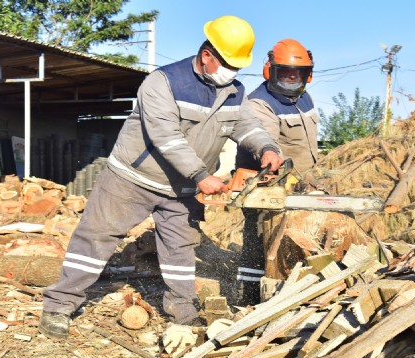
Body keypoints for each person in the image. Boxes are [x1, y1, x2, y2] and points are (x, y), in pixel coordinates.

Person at [38, 15, 284, 339]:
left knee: (180, 251)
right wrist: (201, 175)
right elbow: (165, 136)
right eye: (228, 64)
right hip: (131, 178)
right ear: (207, 55)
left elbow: (247, 126)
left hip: (180, 188)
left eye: (238, 67)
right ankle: (59, 307)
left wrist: (266, 147)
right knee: (95, 239)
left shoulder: (235, 93)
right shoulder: (163, 82)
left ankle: (183, 315)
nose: (233, 73)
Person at [233, 39, 319, 306]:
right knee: (259, 241)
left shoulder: (305, 99)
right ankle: (249, 300)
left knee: (290, 241)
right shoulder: (260, 104)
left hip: (300, 180)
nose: (292, 78)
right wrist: (284, 174)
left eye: (298, 72)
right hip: (266, 183)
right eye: (285, 72)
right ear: (271, 71)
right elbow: (269, 147)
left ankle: (289, 292)